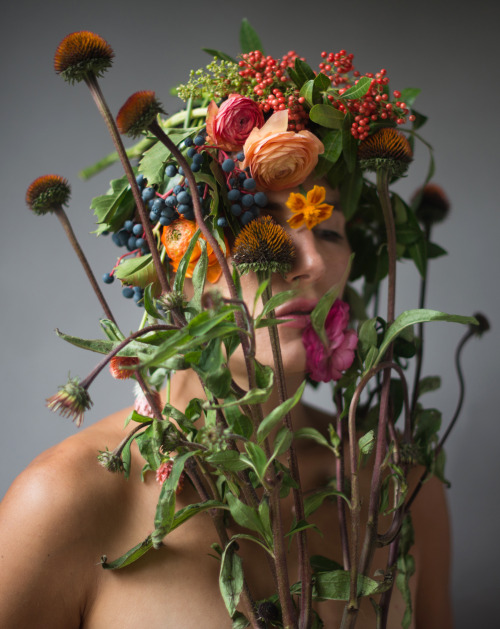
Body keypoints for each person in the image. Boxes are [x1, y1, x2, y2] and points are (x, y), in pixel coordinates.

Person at [0, 35, 453, 628]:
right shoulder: (64, 502)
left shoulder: (396, 484)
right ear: (171, 267)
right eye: (261, 226)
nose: (310, 263)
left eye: (331, 231)